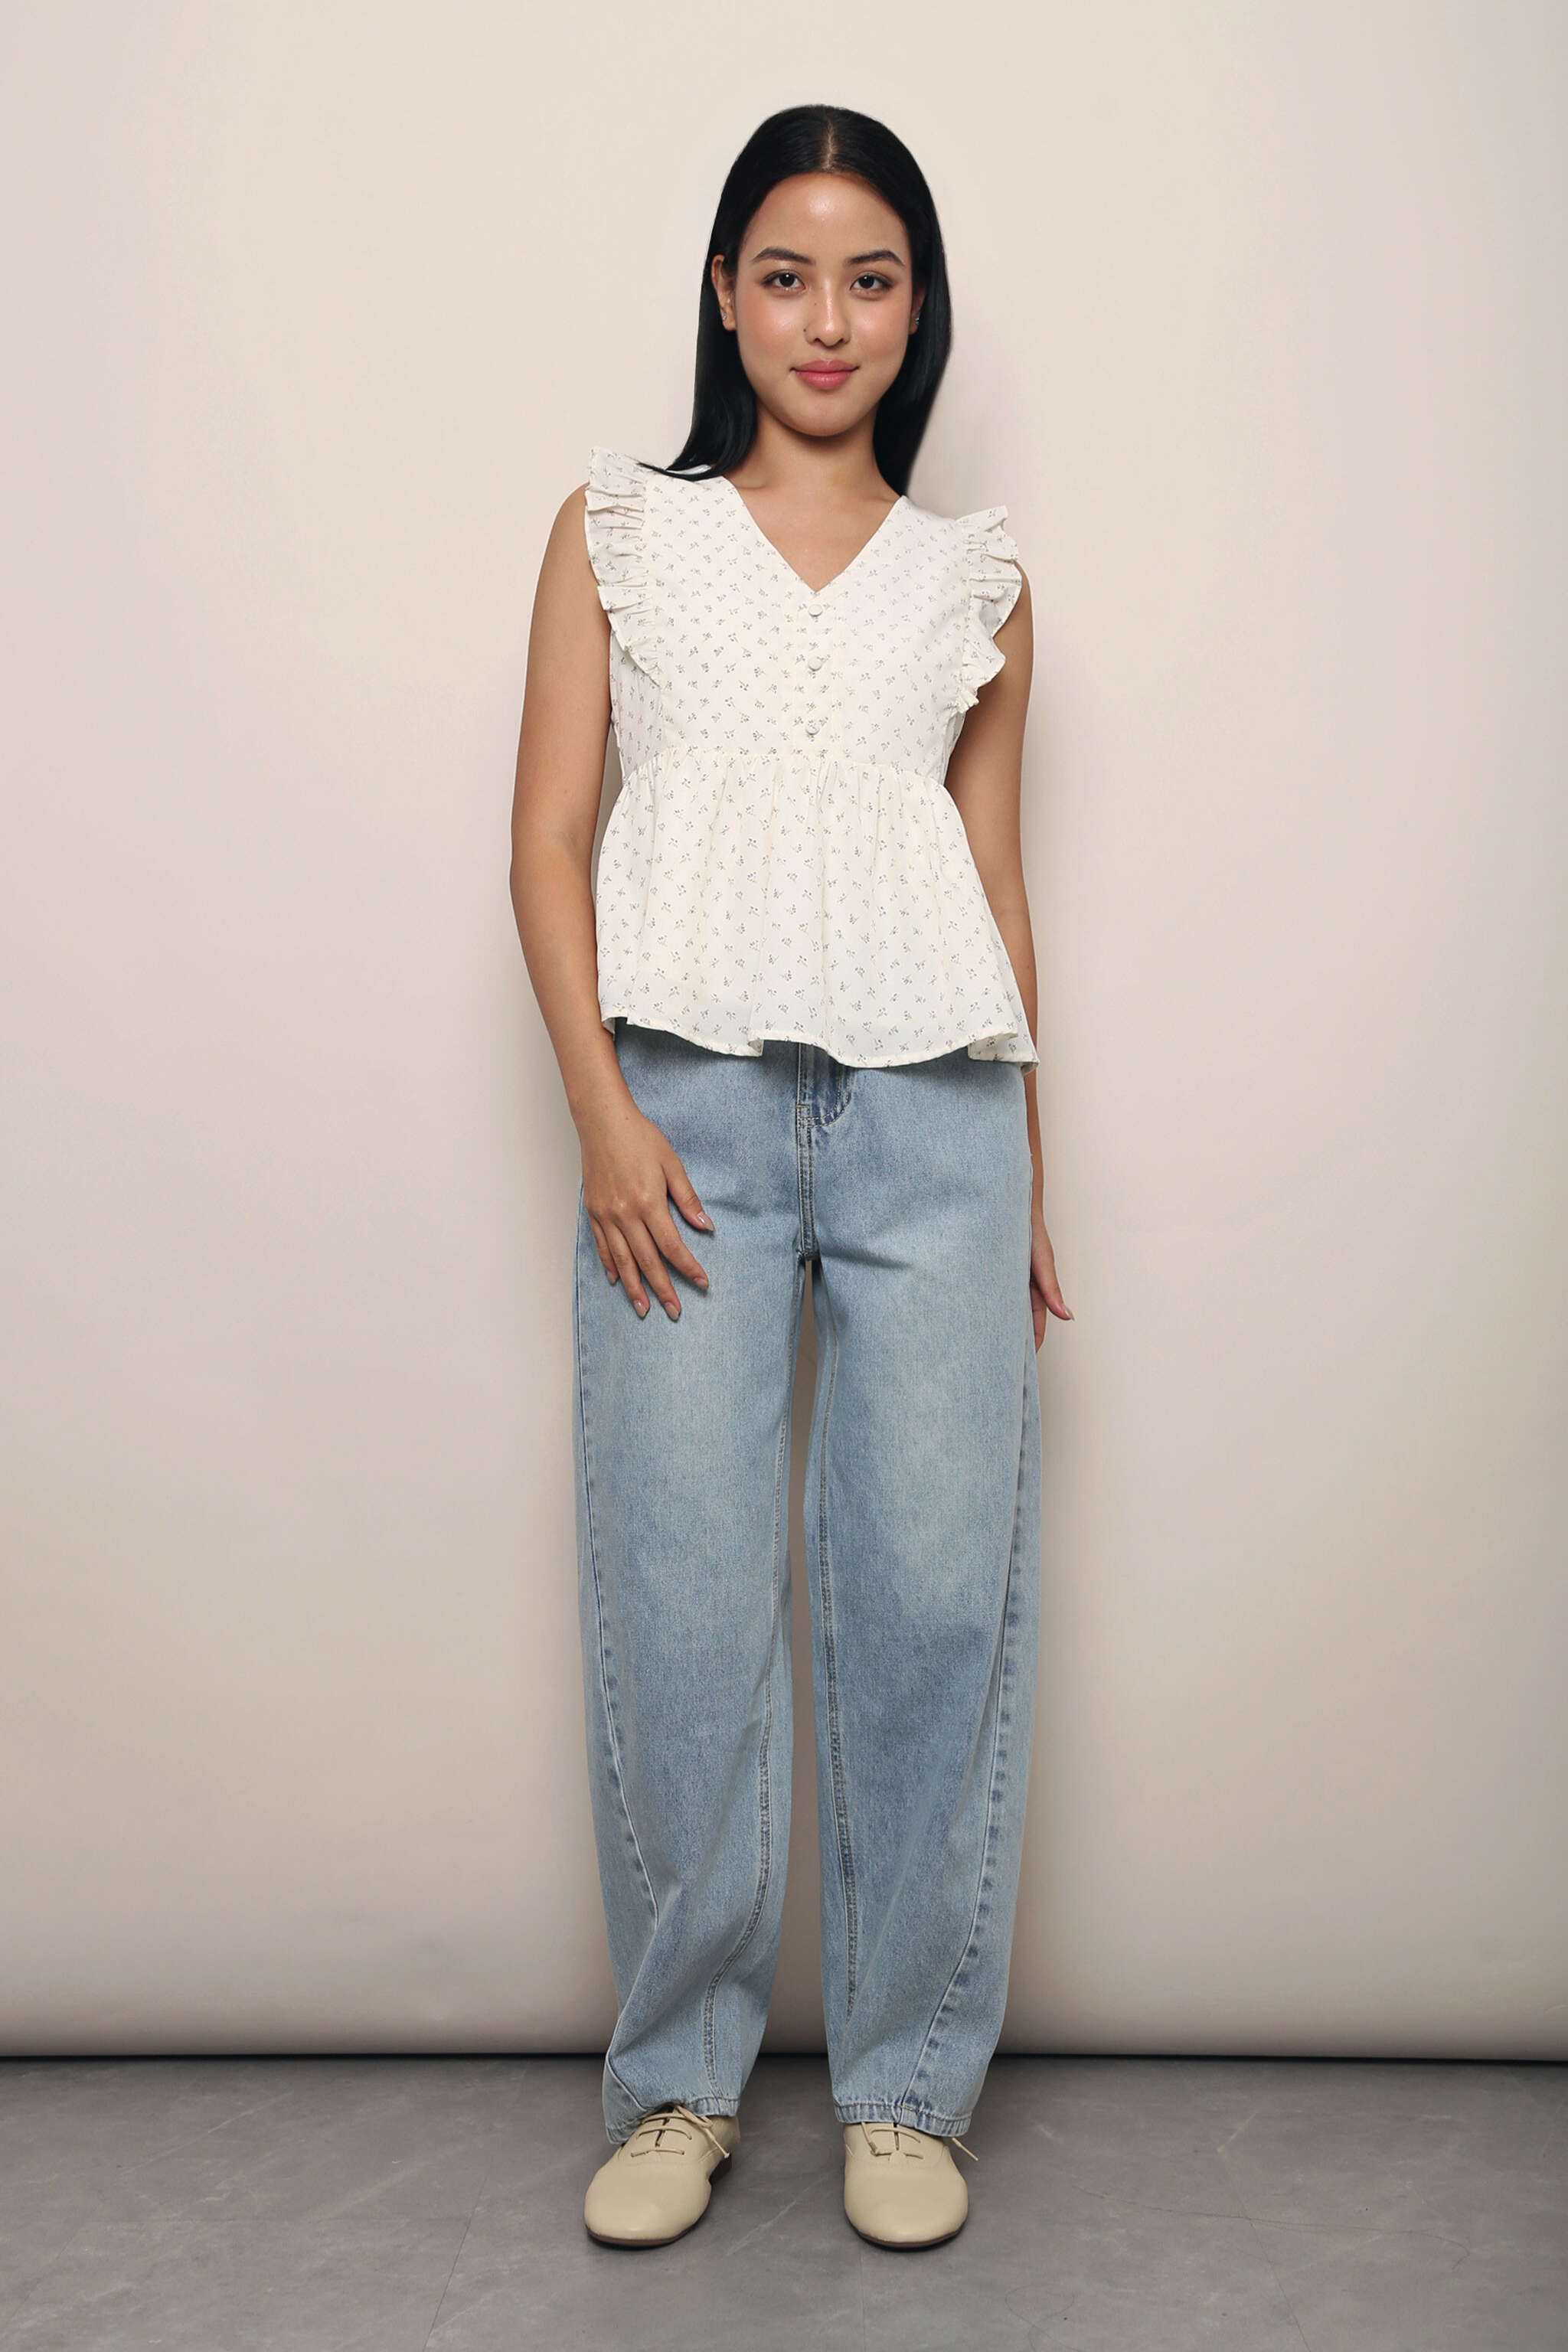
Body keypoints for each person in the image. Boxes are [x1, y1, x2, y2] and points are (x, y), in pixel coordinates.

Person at [510, 102, 1071, 2253]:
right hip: (684, 1121)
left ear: (918, 312)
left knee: (932, 1598)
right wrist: (601, 1112)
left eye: (871, 278)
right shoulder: (618, 536)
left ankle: (909, 2089)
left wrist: (1033, 1174)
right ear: (726, 299)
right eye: (785, 274)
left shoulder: (981, 579)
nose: (827, 319)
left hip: (941, 1125)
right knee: (678, 1600)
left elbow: (997, 892)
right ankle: (681, 2083)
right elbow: (547, 842)